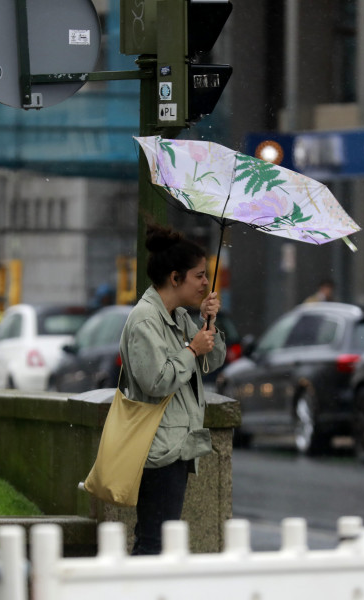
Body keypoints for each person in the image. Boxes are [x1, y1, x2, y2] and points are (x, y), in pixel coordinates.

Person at [119, 222, 226, 555]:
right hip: (159, 449)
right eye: (199, 275)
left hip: (176, 444)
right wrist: (191, 350)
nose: (206, 283)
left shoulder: (178, 316)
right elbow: (155, 381)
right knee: (153, 542)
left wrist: (209, 323)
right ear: (175, 278)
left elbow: (213, 360)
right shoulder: (145, 320)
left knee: (160, 542)